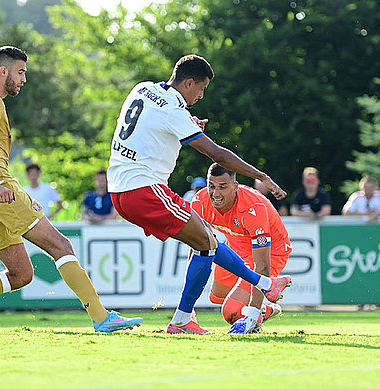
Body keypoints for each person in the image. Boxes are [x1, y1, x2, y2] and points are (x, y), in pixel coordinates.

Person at [0, 46, 141, 334]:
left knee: (22, 274)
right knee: (61, 246)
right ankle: (102, 318)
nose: (24, 79)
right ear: (3, 71)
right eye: (20, 72)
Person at [107, 54, 291, 334]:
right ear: (189, 82)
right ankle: (262, 285)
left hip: (118, 190)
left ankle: (184, 319)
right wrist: (261, 176)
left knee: (207, 243)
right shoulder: (174, 112)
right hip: (144, 189)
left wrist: (186, 124)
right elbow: (217, 153)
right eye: (201, 89)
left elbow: (151, 126)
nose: (202, 96)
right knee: (209, 240)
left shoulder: (142, 89)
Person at [191, 163, 291, 333]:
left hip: (271, 252)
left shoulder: (253, 207)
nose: (215, 194)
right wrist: (188, 307)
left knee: (231, 312)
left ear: (235, 186)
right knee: (216, 296)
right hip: (236, 249)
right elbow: (196, 247)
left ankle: (262, 304)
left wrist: (251, 315)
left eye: (222, 187)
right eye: (211, 186)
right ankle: (267, 301)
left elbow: (263, 265)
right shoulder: (200, 202)